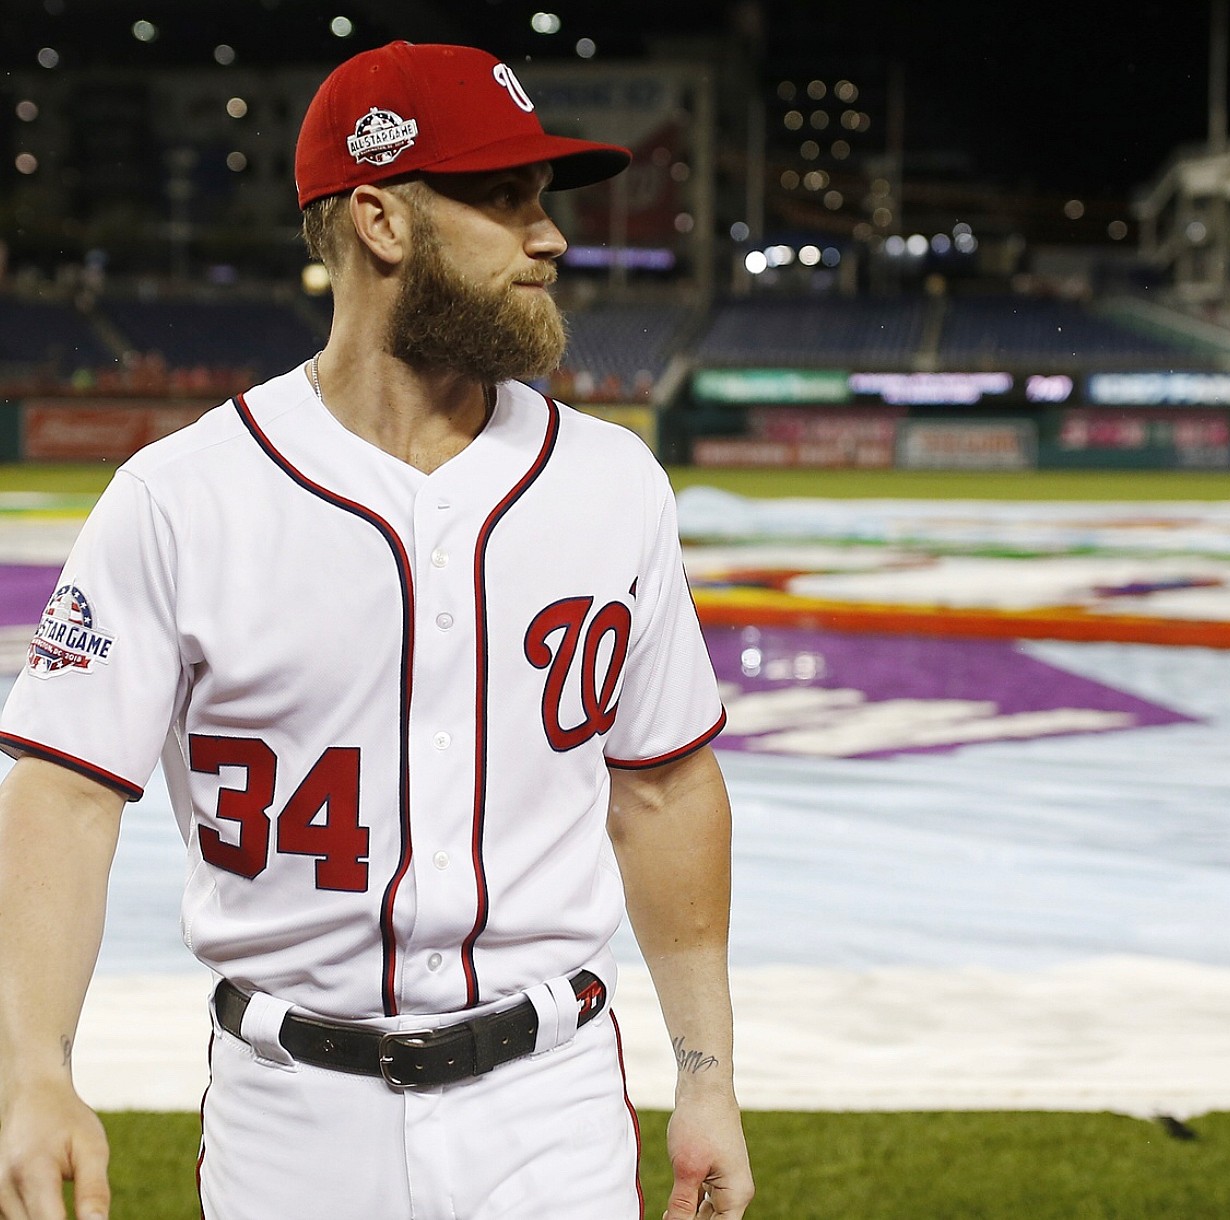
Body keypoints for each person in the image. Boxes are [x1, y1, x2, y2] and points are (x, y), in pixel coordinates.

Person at [0, 41, 752, 1220]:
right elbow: (63, 795)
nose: (549, 236)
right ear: (380, 221)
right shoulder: (181, 495)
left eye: (541, 198)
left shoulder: (612, 484)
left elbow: (663, 789)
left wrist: (706, 1076)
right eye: (504, 198)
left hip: (549, 1105)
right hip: (289, 1112)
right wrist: (32, 1072)